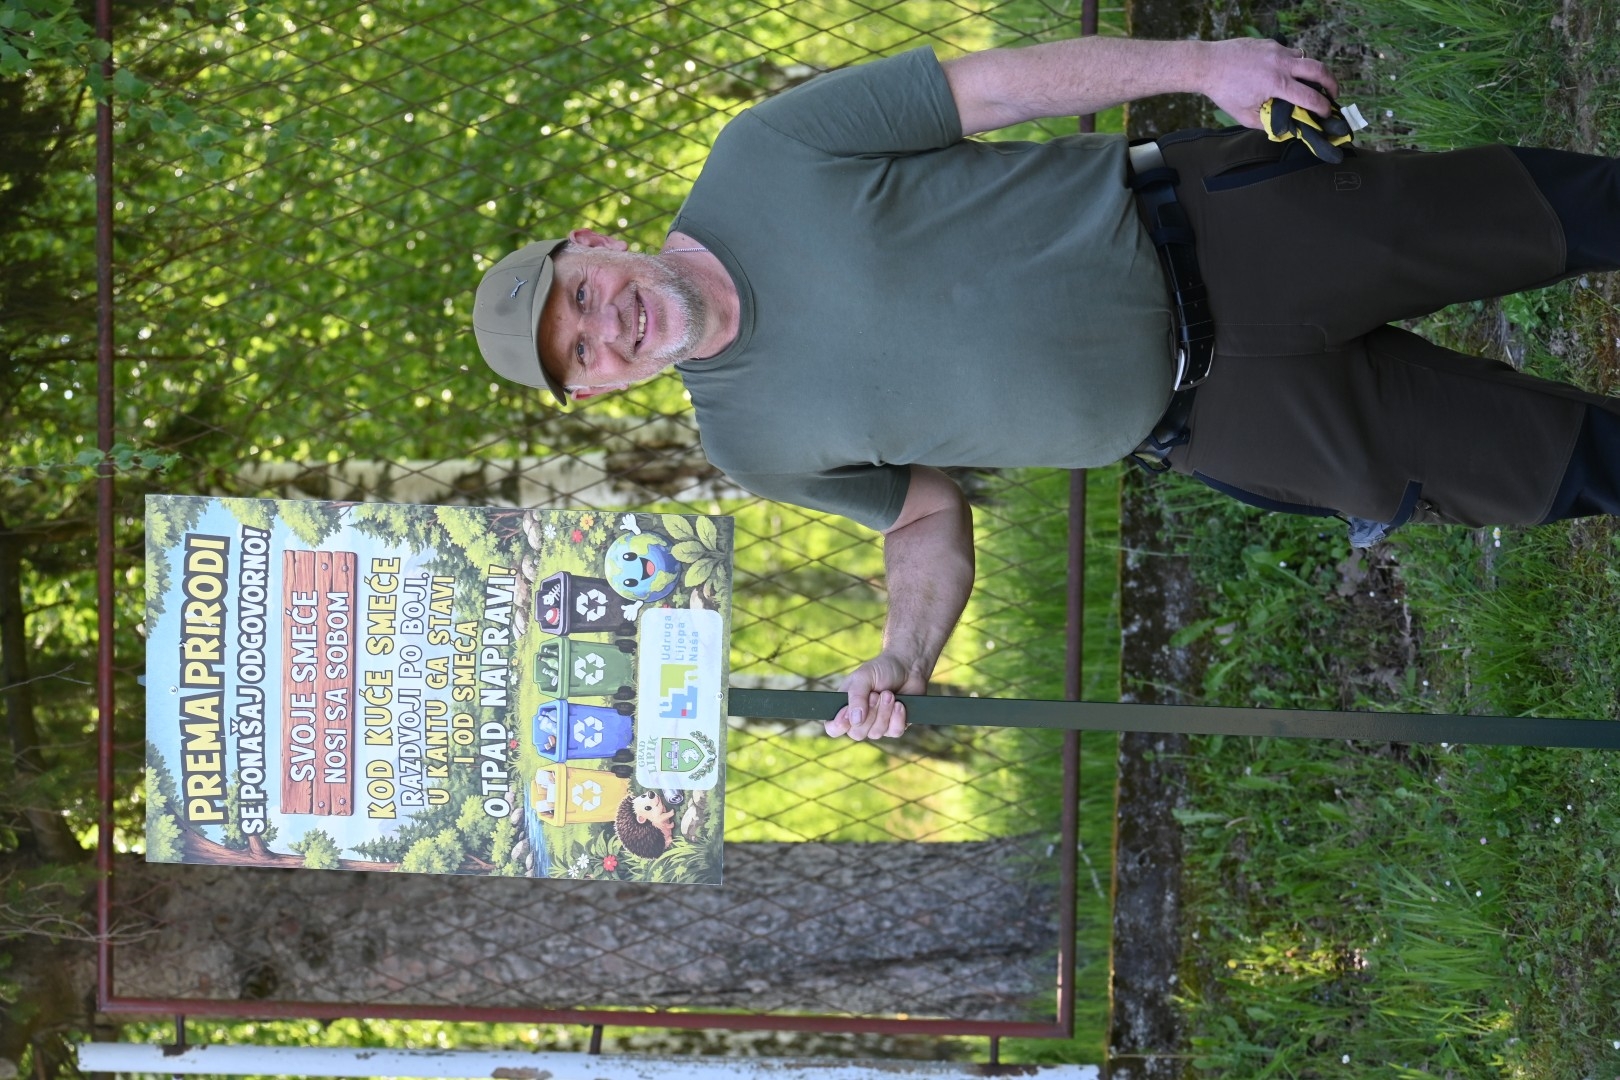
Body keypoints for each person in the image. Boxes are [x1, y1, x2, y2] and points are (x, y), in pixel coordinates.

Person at [472, 35, 1620, 743]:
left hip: (1229, 232)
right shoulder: (749, 440)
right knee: (1556, 470)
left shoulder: (762, 156)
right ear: (594, 395)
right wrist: (902, 656)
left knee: (1559, 215)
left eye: (583, 296)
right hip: (1222, 420)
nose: (607, 327)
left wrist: (1202, 66)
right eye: (583, 353)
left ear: (597, 244)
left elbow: (991, 91)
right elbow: (924, 514)